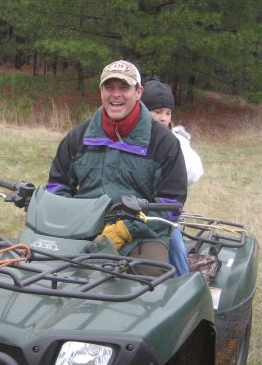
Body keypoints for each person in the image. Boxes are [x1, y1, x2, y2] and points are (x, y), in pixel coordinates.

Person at [46, 60, 188, 275]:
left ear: (138, 92)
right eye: (109, 87)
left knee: (152, 277)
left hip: (141, 236)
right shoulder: (79, 137)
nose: (116, 94)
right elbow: (56, 186)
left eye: (124, 87)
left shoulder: (164, 143)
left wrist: (125, 229)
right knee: (42, 265)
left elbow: (170, 204)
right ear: (101, 91)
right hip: (82, 229)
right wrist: (74, 219)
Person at [141, 79, 204, 276]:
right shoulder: (132, 139)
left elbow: (194, 172)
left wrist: (179, 148)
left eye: (168, 113)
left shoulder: (174, 142)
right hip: (129, 210)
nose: (163, 118)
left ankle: (184, 284)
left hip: (162, 212)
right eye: (157, 111)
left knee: (174, 246)